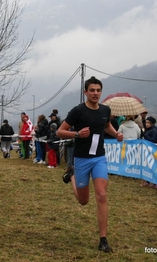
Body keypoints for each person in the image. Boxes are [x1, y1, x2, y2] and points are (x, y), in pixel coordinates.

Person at [57, 76, 123, 253]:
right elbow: (60, 131)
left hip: (99, 158)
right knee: (83, 201)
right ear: (85, 92)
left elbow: (107, 126)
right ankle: (71, 174)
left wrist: (116, 134)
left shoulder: (105, 110)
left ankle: (103, 240)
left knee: (101, 195)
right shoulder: (78, 111)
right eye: (92, 90)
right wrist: (77, 134)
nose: (95, 93)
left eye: (98, 90)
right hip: (82, 159)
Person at [141, 116, 157, 188]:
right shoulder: (147, 130)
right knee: (148, 166)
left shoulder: (155, 130)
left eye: (148, 123)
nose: (147, 124)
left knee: (153, 166)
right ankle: (147, 181)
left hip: (153, 150)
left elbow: (154, 140)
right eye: (146, 122)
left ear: (152, 123)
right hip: (148, 150)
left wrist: (146, 136)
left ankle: (156, 183)